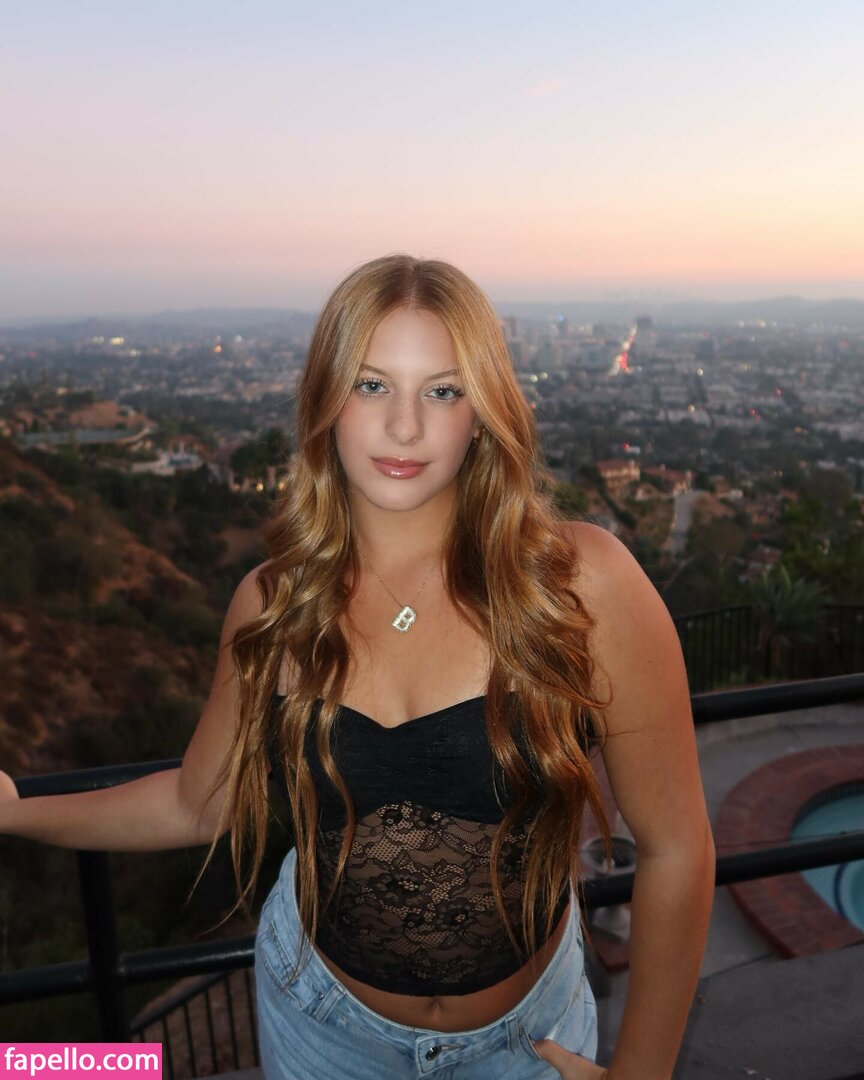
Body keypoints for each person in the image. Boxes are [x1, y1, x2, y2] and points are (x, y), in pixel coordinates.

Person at [0, 254, 715, 1079]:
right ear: (325, 401)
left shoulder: (578, 584)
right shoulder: (275, 605)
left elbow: (676, 847)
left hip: (528, 1046)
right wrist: (16, 811)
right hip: (321, 1032)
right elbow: (198, 803)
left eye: (441, 391)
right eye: (372, 385)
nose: (404, 427)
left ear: (482, 414)